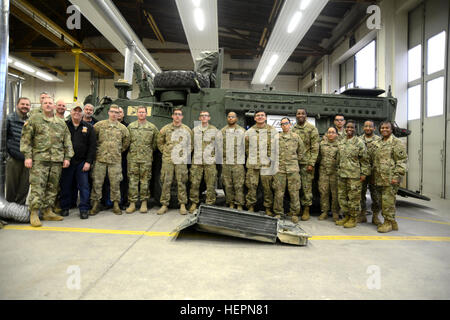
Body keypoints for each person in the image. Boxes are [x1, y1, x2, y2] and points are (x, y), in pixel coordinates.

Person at [20, 96, 74, 227]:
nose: (48, 105)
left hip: (56, 160)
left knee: (52, 187)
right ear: (41, 105)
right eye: (46, 103)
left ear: (54, 106)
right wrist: (27, 156)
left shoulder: (61, 123)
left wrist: (67, 157)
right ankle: (34, 212)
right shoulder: (34, 120)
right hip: (39, 159)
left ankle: (48, 211)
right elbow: (26, 139)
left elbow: (67, 141)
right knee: (38, 187)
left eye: (50, 103)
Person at [90, 104, 130, 215]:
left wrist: (117, 151)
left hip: (115, 160)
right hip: (100, 159)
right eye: (112, 111)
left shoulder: (123, 129)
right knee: (97, 183)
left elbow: (126, 143)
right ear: (108, 112)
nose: (114, 114)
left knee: (115, 183)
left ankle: (116, 204)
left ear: (119, 114)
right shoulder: (99, 125)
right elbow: (93, 140)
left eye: (116, 112)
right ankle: (95, 204)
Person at [59, 105, 97, 219]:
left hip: (82, 162)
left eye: (79, 111)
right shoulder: (64, 126)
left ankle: (84, 208)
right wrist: (63, 158)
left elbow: (92, 146)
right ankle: (65, 207)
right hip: (67, 161)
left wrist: (88, 162)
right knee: (65, 185)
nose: (77, 113)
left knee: (84, 186)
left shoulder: (89, 127)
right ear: (70, 112)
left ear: (82, 114)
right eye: (75, 111)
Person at [156, 108, 193, 215]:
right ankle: (164, 204)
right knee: (166, 182)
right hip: (168, 160)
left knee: (181, 182)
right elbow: (160, 142)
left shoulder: (186, 130)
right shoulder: (165, 129)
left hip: (180, 160)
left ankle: (182, 204)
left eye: (179, 114)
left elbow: (190, 145)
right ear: (172, 116)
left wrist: (184, 154)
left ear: (182, 117)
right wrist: (166, 152)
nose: (177, 116)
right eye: (175, 114)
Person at [372, 121, 407, 233]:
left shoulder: (396, 142)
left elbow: (402, 161)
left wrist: (397, 176)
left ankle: (388, 223)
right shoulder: (378, 142)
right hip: (379, 178)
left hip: (391, 178)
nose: (384, 129)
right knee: (383, 201)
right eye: (382, 128)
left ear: (391, 129)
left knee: (388, 202)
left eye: (387, 128)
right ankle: (393, 223)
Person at [335, 120, 370, 228]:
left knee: (353, 198)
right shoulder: (341, 142)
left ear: (355, 129)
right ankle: (346, 216)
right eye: (348, 127)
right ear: (345, 128)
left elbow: (365, 160)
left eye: (352, 128)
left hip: (354, 176)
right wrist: (338, 170)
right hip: (342, 175)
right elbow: (338, 158)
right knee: (342, 197)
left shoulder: (359, 142)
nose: (349, 129)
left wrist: (364, 173)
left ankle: (353, 218)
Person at [125, 106, 159, 214]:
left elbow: (155, 143)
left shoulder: (152, 127)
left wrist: (147, 152)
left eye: (143, 112)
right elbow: (127, 141)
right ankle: (132, 203)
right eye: (139, 112)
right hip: (133, 159)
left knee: (145, 181)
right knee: (133, 181)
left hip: (146, 159)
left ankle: (144, 202)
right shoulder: (131, 127)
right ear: (137, 114)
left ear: (146, 113)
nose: (141, 114)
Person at [272, 117, 304, 222]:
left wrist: (293, 161)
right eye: (282, 124)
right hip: (279, 169)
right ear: (280, 126)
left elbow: (301, 151)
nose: (284, 125)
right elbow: (271, 152)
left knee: (294, 192)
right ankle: (278, 212)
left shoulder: (296, 137)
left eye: (286, 123)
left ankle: (294, 213)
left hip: (293, 169)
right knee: (279, 192)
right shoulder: (276, 137)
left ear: (290, 124)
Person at [245, 110, 277, 216]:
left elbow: (276, 147)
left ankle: (268, 208)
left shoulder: (272, 131)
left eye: (262, 115)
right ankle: (250, 206)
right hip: (253, 164)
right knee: (251, 186)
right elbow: (245, 147)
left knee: (267, 188)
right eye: (257, 116)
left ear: (266, 117)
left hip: (266, 164)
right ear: (254, 118)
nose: (260, 117)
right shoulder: (249, 132)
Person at [291, 108, 319, 221]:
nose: (300, 115)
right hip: (294, 163)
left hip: (306, 164)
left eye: (302, 113)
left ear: (306, 116)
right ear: (296, 116)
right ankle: (297, 209)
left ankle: (306, 209)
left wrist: (311, 163)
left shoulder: (312, 129)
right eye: (298, 113)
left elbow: (315, 148)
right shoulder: (293, 128)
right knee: (295, 188)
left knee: (306, 187)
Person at [6, 97, 31, 205]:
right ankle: (8, 211)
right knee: (12, 187)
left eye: (27, 105)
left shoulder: (30, 121)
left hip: (28, 159)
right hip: (13, 159)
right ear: (17, 105)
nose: (25, 106)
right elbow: (4, 138)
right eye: (23, 104)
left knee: (24, 187)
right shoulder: (9, 119)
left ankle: (19, 211)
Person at [218, 112, 246, 210]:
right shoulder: (222, 132)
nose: (230, 118)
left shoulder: (242, 131)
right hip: (226, 163)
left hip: (238, 163)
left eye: (232, 117)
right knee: (228, 185)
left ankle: (239, 204)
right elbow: (219, 147)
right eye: (229, 117)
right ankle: (230, 203)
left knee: (239, 185)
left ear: (236, 119)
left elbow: (246, 147)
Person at [360, 120, 382, 225]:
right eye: (366, 126)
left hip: (375, 173)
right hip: (362, 173)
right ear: (363, 128)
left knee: (376, 196)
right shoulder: (359, 140)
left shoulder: (379, 140)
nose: (368, 128)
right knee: (360, 195)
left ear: (374, 128)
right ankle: (362, 215)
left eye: (370, 126)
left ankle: (375, 216)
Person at [317, 126, 340, 221]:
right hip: (323, 172)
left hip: (335, 173)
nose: (331, 134)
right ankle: (324, 211)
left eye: (333, 132)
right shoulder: (322, 144)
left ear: (336, 134)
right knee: (324, 192)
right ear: (326, 134)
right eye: (329, 132)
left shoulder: (340, 145)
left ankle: (335, 212)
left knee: (335, 193)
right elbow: (318, 158)